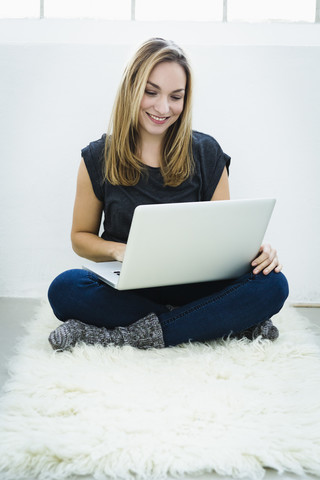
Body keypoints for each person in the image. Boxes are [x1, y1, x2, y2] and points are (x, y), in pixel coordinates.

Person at [48, 38, 289, 352]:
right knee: (65, 289)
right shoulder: (97, 157)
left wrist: (256, 251)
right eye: (151, 92)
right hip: (131, 289)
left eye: (176, 97)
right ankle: (219, 322)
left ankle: (126, 337)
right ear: (131, 89)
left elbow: (225, 237)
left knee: (273, 284)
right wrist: (120, 251)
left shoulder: (206, 153)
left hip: (197, 287)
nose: (163, 108)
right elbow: (81, 238)